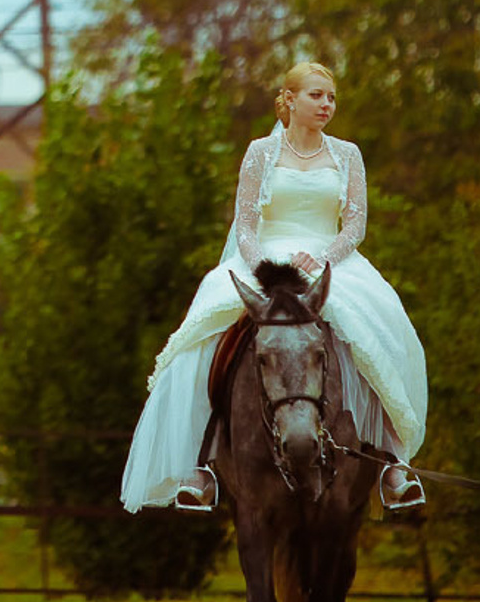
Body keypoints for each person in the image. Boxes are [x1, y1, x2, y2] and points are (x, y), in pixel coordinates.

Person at [120, 60, 427, 514]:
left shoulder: (347, 155)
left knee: (375, 330)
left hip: (330, 261)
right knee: (205, 334)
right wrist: (266, 265)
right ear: (290, 99)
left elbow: (355, 225)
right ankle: (199, 464)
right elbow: (245, 225)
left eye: (331, 97)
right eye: (316, 95)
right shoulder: (260, 153)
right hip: (266, 259)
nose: (327, 105)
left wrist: (324, 258)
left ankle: (391, 463)